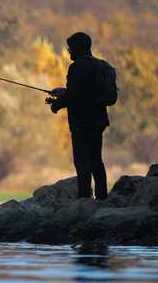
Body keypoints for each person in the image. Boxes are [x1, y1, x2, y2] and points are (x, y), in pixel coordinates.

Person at [46, 32, 109, 200]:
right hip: (98, 121)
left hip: (82, 122)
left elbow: (74, 96)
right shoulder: (99, 66)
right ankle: (102, 197)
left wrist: (56, 104)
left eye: (71, 47)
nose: (68, 51)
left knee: (82, 162)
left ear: (79, 48)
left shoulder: (77, 67)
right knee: (96, 159)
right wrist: (63, 93)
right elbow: (83, 93)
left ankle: (84, 199)